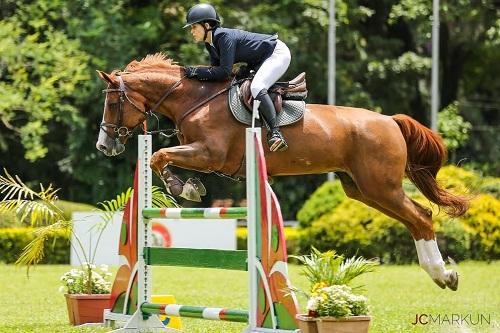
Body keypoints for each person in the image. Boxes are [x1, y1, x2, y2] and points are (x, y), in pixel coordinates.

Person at [182, 3, 291, 152]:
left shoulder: (223, 36)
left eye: (194, 27)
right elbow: (215, 73)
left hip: (276, 53)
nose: (191, 31)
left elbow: (224, 72)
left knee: (257, 87)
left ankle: (276, 133)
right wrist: (195, 74)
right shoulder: (210, 44)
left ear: (206, 25)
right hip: (258, 60)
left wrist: (195, 72)